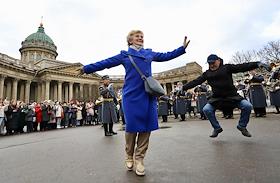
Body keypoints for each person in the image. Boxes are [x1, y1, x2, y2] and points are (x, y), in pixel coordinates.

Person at [79, 30, 190, 176]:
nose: (140, 38)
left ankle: (140, 159)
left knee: (146, 127)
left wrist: (181, 49)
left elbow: (166, 56)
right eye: (137, 36)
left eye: (142, 36)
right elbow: (105, 63)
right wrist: (86, 68)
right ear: (130, 40)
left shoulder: (149, 53)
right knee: (131, 127)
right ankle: (129, 155)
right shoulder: (125, 55)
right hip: (131, 96)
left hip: (147, 95)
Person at [180, 54, 271, 138]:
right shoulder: (207, 73)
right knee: (206, 109)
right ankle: (217, 128)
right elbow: (196, 81)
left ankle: (242, 126)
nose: (211, 65)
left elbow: (241, 67)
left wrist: (257, 64)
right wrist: (184, 87)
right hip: (217, 98)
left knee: (247, 106)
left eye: (213, 62)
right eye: (209, 63)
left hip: (232, 96)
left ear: (218, 60)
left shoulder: (227, 68)